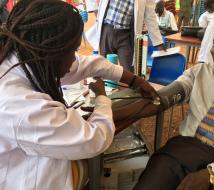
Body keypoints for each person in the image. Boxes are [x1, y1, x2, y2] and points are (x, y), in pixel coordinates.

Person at [0, 0, 158, 189]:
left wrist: (134, 80)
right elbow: (93, 139)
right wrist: (102, 99)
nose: (75, 57)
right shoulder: (19, 106)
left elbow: (87, 65)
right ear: (52, 53)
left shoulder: (24, 59)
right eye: (73, 50)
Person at [112, 19, 214, 190]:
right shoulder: (199, 72)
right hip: (188, 148)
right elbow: (163, 98)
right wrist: (110, 112)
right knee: (154, 180)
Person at [96, 0, 165, 71]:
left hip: (126, 35)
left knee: (128, 71)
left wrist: (159, 42)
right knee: (105, 70)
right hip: (107, 31)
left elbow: (150, 16)